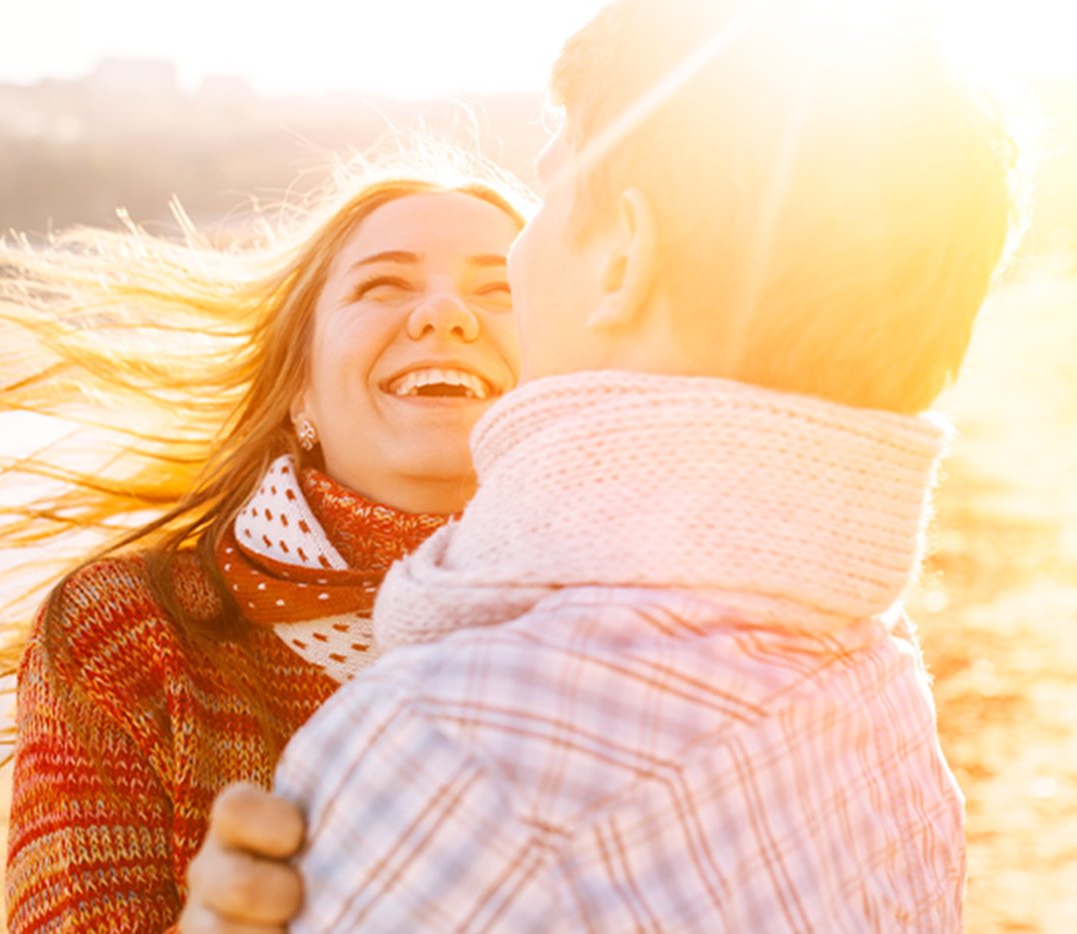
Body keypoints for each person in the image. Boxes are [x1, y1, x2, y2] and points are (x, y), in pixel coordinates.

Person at [264, 0, 1020, 929]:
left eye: (543, 201)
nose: (463, 305)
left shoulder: (454, 754)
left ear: (622, 256)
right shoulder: (879, 678)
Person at [0, 142, 531, 931]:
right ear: (298, 384)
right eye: (383, 284)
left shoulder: (644, 618)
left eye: (503, 288)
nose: (446, 313)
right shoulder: (125, 632)